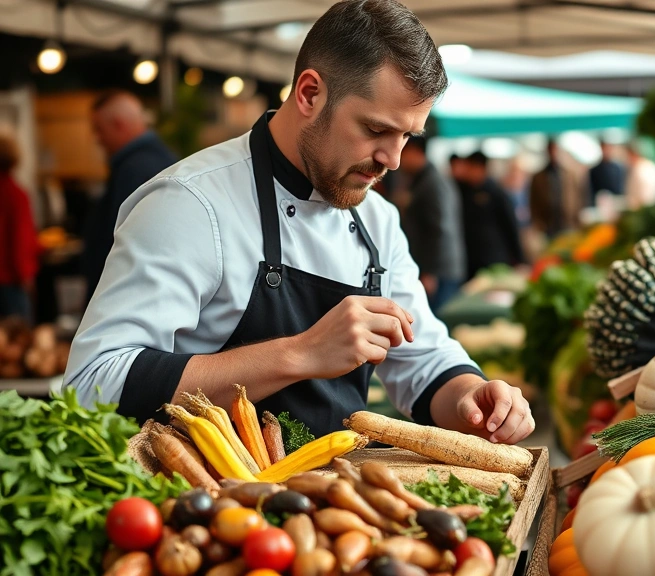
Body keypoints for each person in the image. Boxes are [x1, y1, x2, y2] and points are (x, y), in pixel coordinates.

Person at [65, 0, 534, 446]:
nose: (392, 159)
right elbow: (94, 383)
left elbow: (423, 361)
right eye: (375, 130)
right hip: (207, 511)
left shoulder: (377, 219)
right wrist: (300, 353)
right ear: (309, 93)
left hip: (335, 510)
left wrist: (473, 396)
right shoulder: (190, 203)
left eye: (407, 136)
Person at [83, 90, 177, 300]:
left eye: (99, 130)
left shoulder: (135, 170)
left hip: (126, 301)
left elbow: (128, 246)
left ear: (119, 124)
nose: (97, 139)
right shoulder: (161, 161)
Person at [397, 136, 465, 311]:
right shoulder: (422, 179)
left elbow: (440, 229)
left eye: (403, 152)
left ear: (415, 152)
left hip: (438, 272)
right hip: (436, 269)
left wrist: (430, 272)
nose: (398, 159)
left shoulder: (432, 182)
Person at [460, 152, 524, 279]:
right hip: (471, 260)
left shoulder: (496, 192)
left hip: (495, 258)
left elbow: (510, 225)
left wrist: (519, 258)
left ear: (480, 168)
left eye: (470, 167)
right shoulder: (463, 191)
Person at [0, 134, 38, 320]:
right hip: (11, 280)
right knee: (19, 339)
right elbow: (20, 240)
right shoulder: (16, 194)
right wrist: (26, 277)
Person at [529, 139, 583, 239]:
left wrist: (577, 219)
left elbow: (578, 198)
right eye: (551, 150)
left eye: (555, 150)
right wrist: (538, 223)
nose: (553, 153)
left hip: (568, 223)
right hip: (548, 224)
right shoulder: (538, 177)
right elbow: (533, 202)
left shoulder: (569, 174)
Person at [624, 144, 655, 210]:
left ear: (632, 154)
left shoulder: (641, 170)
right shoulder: (647, 166)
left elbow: (645, 198)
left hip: (649, 210)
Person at [587, 140, 625, 205]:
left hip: (616, 203)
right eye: (605, 148)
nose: (607, 151)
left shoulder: (618, 168)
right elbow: (592, 191)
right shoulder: (594, 170)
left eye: (609, 148)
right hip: (600, 204)